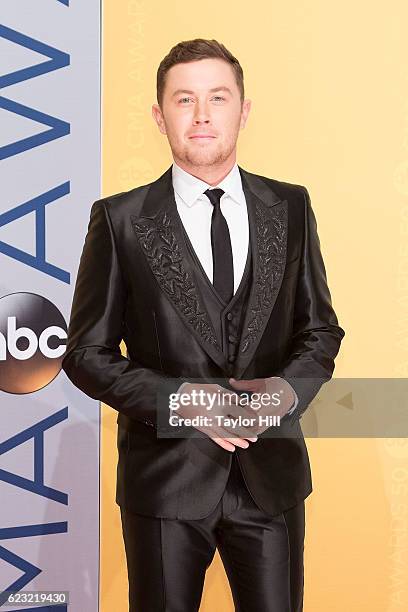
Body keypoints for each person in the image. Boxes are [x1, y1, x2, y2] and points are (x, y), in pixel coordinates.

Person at [62, 38, 345, 612]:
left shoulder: (291, 207)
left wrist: (284, 394)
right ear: (159, 114)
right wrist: (187, 402)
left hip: (271, 481)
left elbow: (319, 330)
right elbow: (86, 352)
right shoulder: (119, 219)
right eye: (184, 99)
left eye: (218, 98)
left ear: (243, 111)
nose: (202, 115)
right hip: (164, 482)